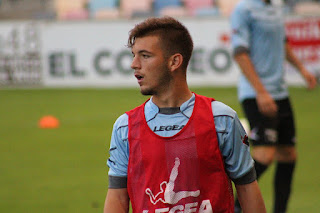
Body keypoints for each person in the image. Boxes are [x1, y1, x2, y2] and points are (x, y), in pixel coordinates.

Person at [104, 16, 266, 213]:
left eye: (145, 56)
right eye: (133, 55)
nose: (134, 64)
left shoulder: (221, 120)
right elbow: (117, 199)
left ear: (174, 61)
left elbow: (247, 188)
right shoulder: (125, 128)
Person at [230, 1, 318, 213]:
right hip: (256, 94)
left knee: (288, 154)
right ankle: (233, 206)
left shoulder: (277, 7)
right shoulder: (244, 9)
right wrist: (261, 91)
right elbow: (239, 53)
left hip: (280, 93)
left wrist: (302, 69)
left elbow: (282, 42)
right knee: (264, 155)